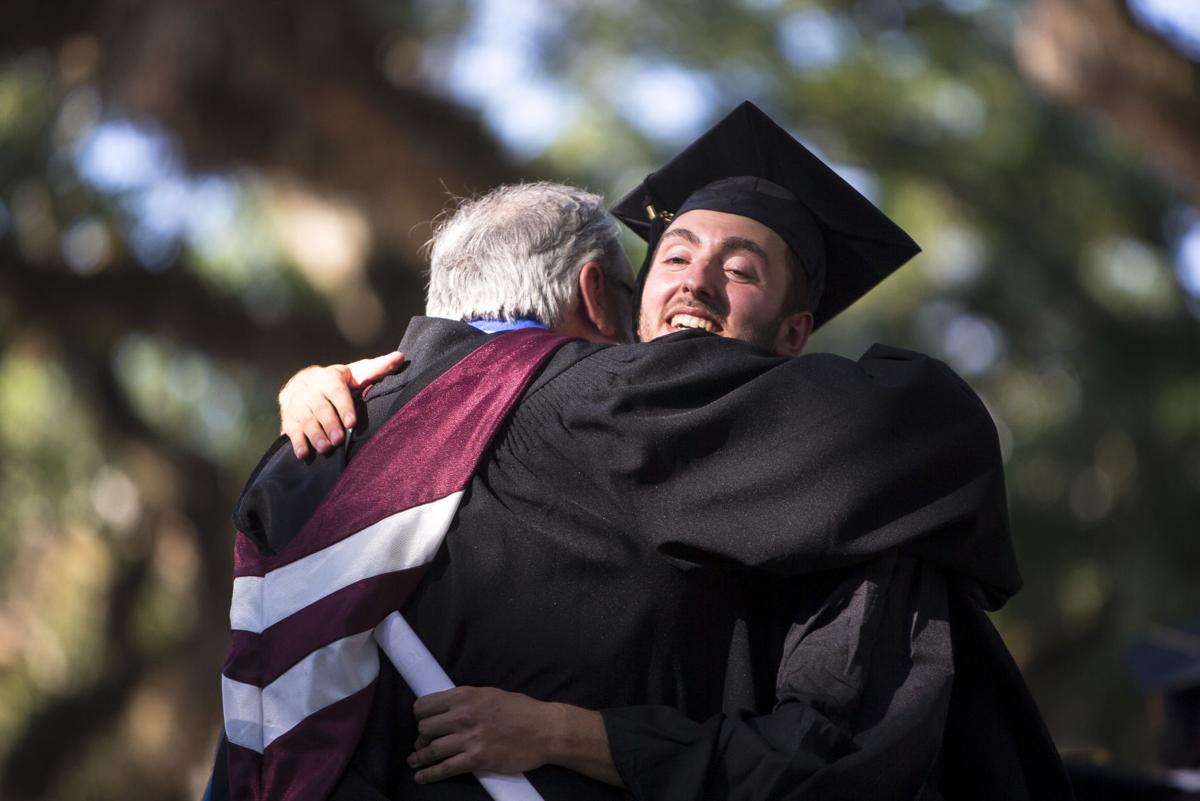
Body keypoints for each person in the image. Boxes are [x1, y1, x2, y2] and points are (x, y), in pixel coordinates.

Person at [218, 102, 1070, 800]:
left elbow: (838, 752)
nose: (693, 284)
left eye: (740, 269)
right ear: (607, 298)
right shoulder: (589, 405)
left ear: (796, 333)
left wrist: (577, 735)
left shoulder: (299, 463)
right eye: (673, 256)